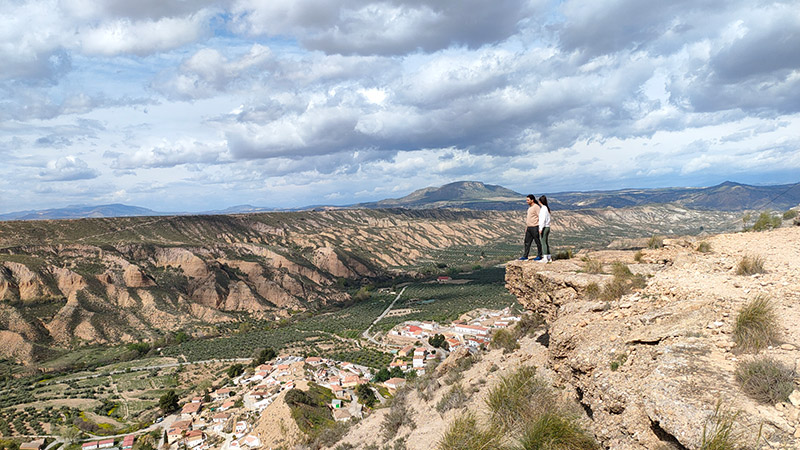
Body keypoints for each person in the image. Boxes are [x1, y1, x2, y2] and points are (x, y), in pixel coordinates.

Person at [519, 194, 543, 260]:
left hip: (534, 227)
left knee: (537, 242)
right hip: (529, 227)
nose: (526, 201)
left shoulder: (536, 207)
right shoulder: (530, 207)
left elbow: (540, 217)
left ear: (532, 200)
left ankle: (539, 255)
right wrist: (527, 227)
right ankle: (525, 256)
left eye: (528, 200)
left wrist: (540, 227)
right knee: (527, 242)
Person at [538, 195, 551, 262]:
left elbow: (542, 219)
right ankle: (549, 257)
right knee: (546, 242)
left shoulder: (543, 209)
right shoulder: (547, 208)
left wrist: (540, 228)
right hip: (548, 226)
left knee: (543, 242)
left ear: (540, 201)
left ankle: (545, 257)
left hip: (544, 227)